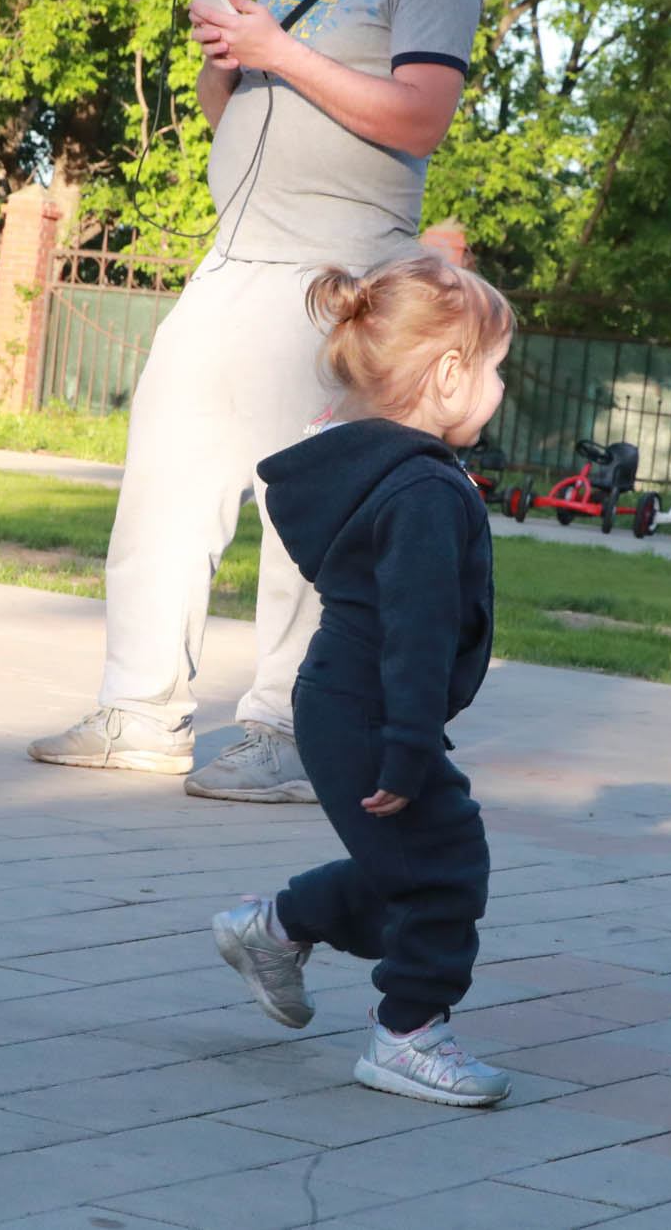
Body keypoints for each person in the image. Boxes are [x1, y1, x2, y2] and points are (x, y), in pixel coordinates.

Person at [25, 0, 482, 804]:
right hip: (231, 259)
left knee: (306, 517)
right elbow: (235, 115)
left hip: (336, 272)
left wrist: (278, 48)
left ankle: (288, 731)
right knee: (163, 487)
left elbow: (418, 118)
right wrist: (228, 59)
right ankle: (139, 713)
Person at [212, 253, 515, 1107]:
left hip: (344, 701)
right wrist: (408, 744)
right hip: (373, 709)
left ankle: (274, 927)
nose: (500, 386)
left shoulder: (378, 470)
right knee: (445, 866)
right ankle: (408, 1034)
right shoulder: (422, 490)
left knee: (408, 861)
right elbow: (417, 632)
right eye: (495, 367)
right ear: (448, 373)